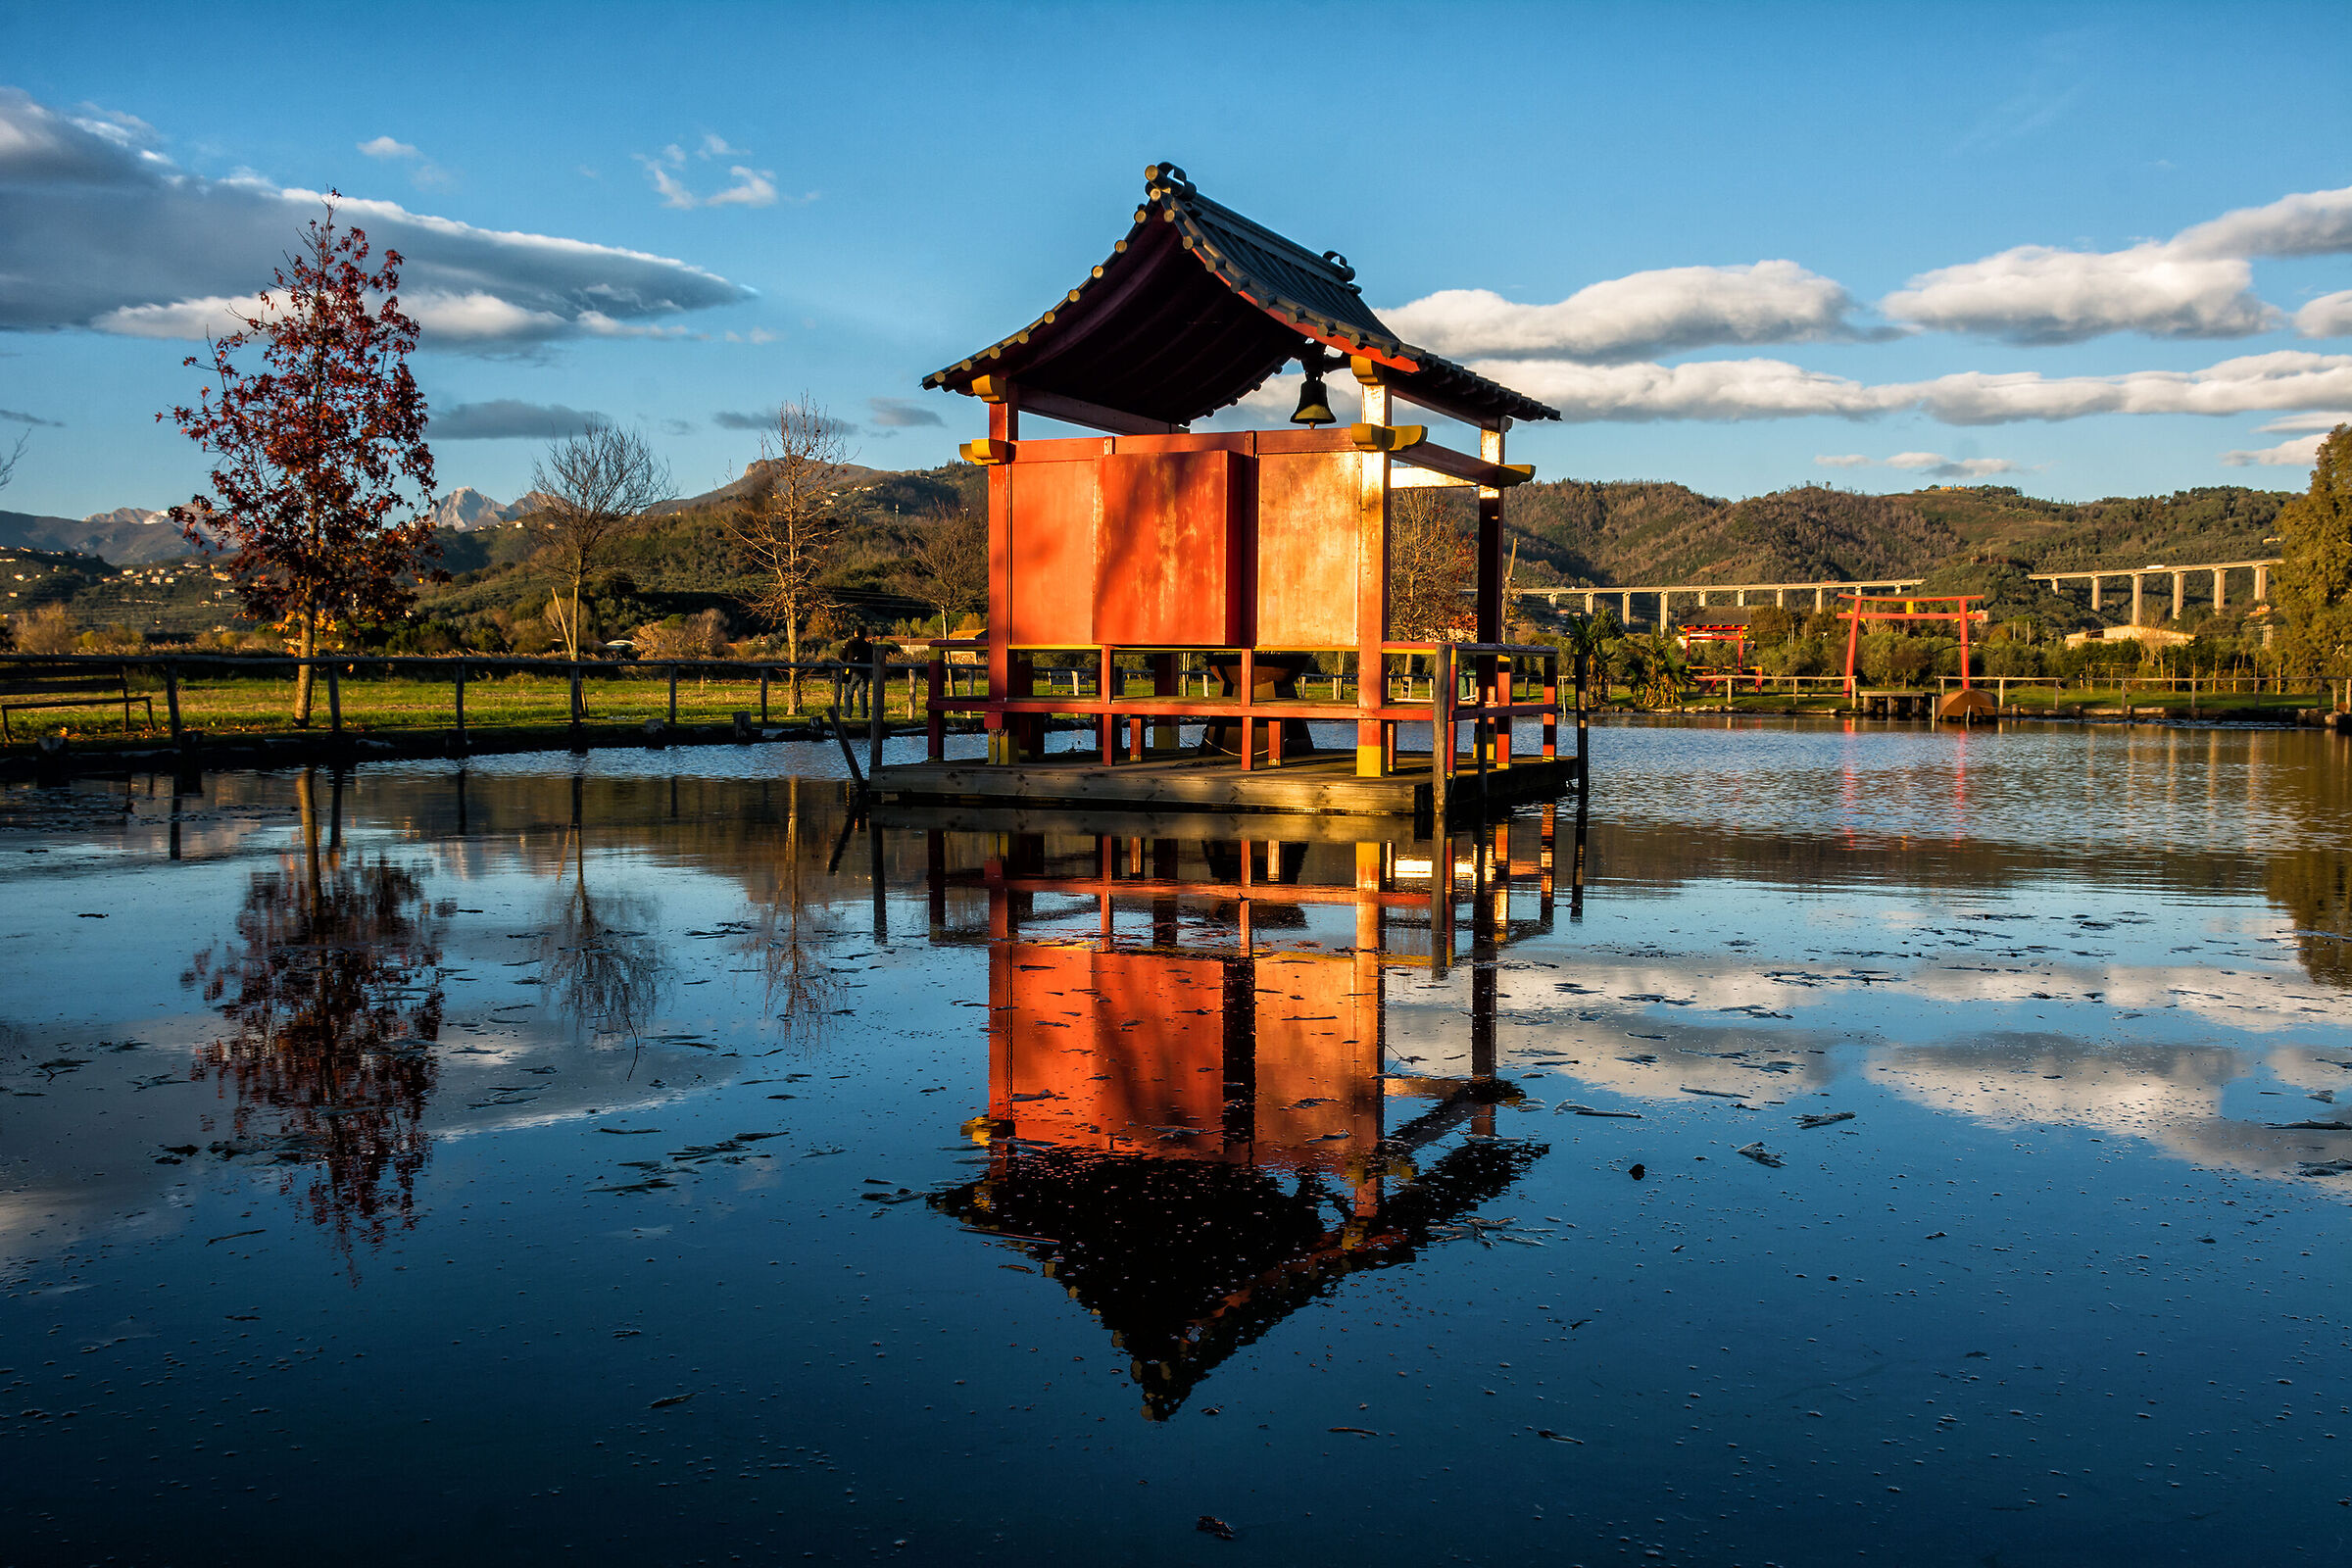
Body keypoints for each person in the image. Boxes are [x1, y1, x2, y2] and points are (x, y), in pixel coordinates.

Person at [839, 631, 874, 715]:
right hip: (864, 671)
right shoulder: (868, 646)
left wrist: (847, 662)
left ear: (856, 633)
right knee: (863, 695)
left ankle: (847, 713)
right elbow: (871, 658)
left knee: (848, 694)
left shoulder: (850, 643)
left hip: (851, 671)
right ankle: (864, 714)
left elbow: (841, 655)